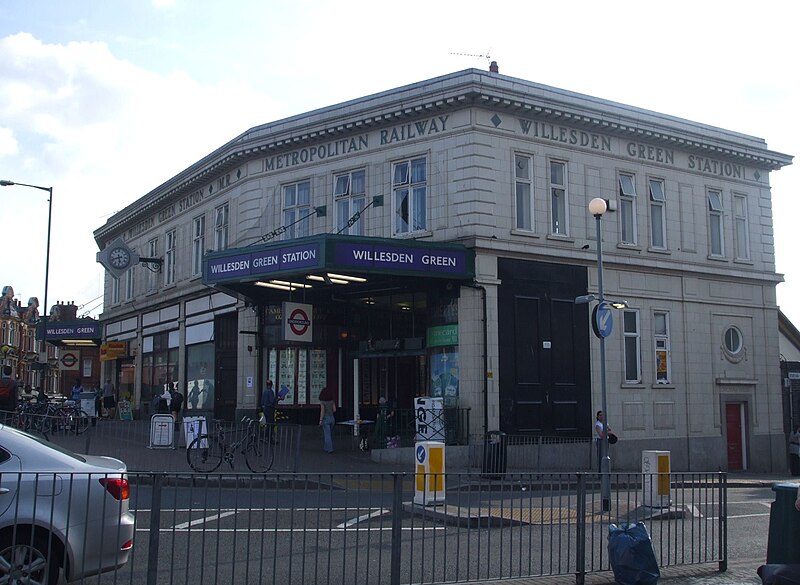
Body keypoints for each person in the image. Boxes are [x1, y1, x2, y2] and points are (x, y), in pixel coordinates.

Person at [260, 379, 283, 444]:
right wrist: (279, 399)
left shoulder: (265, 392)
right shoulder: (270, 392)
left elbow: (262, 401)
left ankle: (265, 437)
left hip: (265, 409)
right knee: (271, 424)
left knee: (268, 423)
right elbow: (272, 401)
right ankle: (269, 438)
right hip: (270, 409)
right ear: (272, 385)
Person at [318, 387, 337, 453]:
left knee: (327, 435)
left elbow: (322, 411)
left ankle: (330, 449)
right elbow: (334, 410)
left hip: (326, 418)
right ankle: (326, 448)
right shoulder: (332, 401)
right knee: (329, 434)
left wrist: (320, 420)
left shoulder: (322, 402)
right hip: (332, 418)